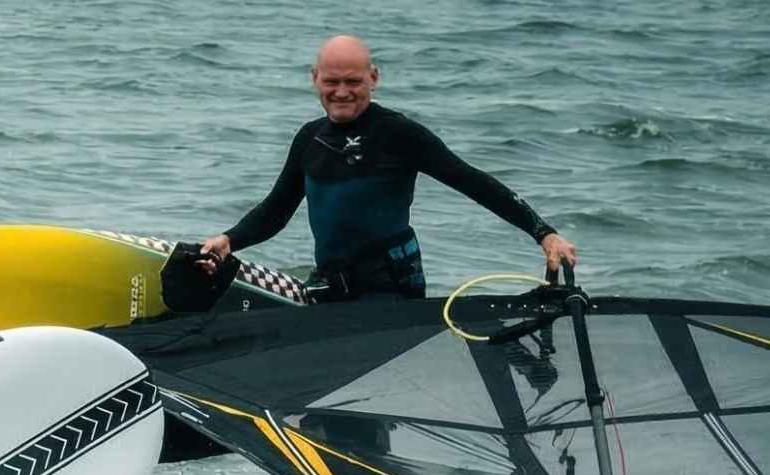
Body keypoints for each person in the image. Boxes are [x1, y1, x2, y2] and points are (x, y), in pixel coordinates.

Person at [196, 35, 578, 298]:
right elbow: (276, 210)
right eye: (332, 81)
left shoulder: (399, 133)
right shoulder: (309, 139)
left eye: (353, 81)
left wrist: (544, 233)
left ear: (374, 79)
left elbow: (472, 181)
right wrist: (229, 240)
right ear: (314, 79)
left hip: (390, 289)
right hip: (331, 285)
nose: (341, 92)